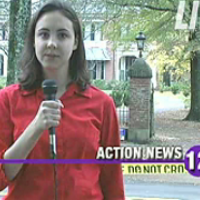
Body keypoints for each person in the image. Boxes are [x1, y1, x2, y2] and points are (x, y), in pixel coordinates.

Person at [0, 0, 125, 199]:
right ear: (33, 40)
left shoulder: (102, 104)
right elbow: (3, 176)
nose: (51, 43)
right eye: (44, 34)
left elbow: (113, 179)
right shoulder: (7, 100)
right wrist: (36, 127)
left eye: (62, 35)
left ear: (75, 42)